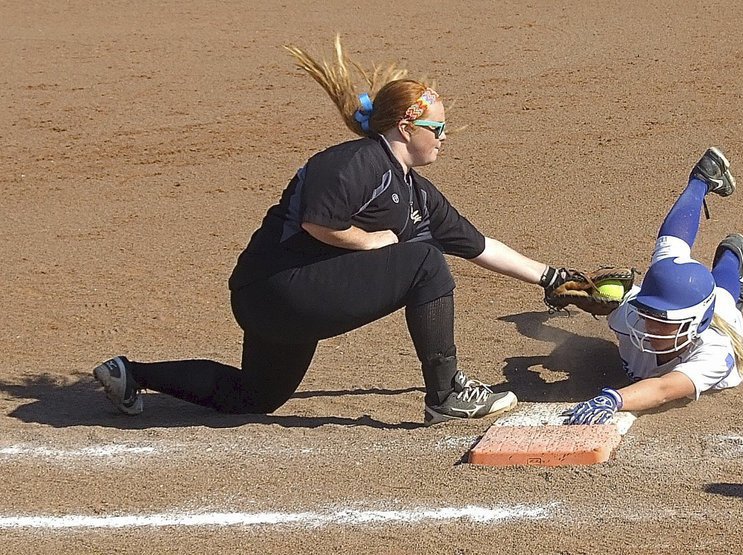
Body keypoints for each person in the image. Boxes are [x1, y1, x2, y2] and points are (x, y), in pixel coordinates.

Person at [93, 37, 570, 425]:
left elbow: (479, 245)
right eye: (438, 128)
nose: (444, 138)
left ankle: (133, 374)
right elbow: (316, 221)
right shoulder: (355, 163)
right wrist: (368, 241)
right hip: (274, 290)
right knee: (425, 261)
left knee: (254, 396)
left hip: (291, 302)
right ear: (407, 127)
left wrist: (557, 279)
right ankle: (445, 393)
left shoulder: (416, 193)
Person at [563, 147, 743, 425]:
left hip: (722, 311)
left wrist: (613, 398)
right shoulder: (633, 313)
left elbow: (664, 389)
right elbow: (641, 292)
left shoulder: (714, 352)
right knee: (668, 250)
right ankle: (702, 179)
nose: (649, 327)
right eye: (649, 315)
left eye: (663, 322)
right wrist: (578, 293)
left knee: (726, 295)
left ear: (694, 325)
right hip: (681, 294)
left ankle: (732, 255)